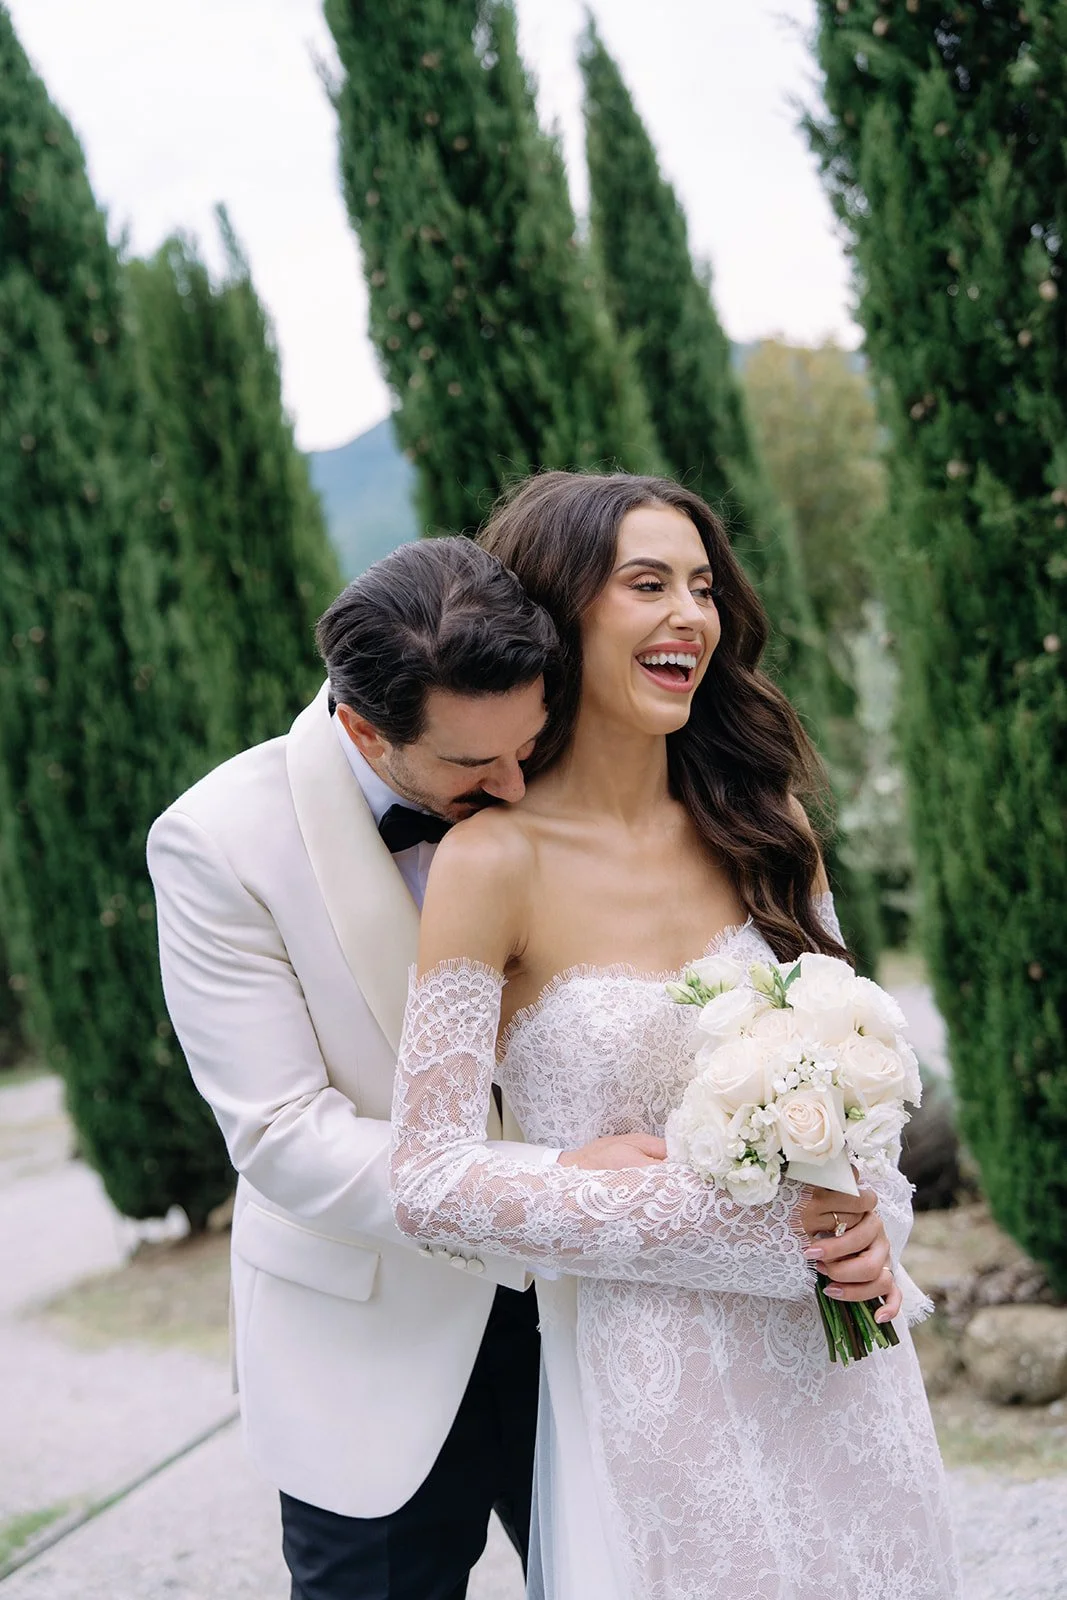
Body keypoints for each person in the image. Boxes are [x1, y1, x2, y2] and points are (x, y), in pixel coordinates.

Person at [388, 472, 961, 1600]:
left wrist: (869, 1229)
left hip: (839, 1372)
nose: (689, 615)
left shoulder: (766, 821)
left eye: (701, 586)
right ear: (560, 616)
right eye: (646, 583)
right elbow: (426, 1177)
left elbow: (858, 1077)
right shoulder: (487, 863)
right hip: (661, 1390)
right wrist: (729, 1215)